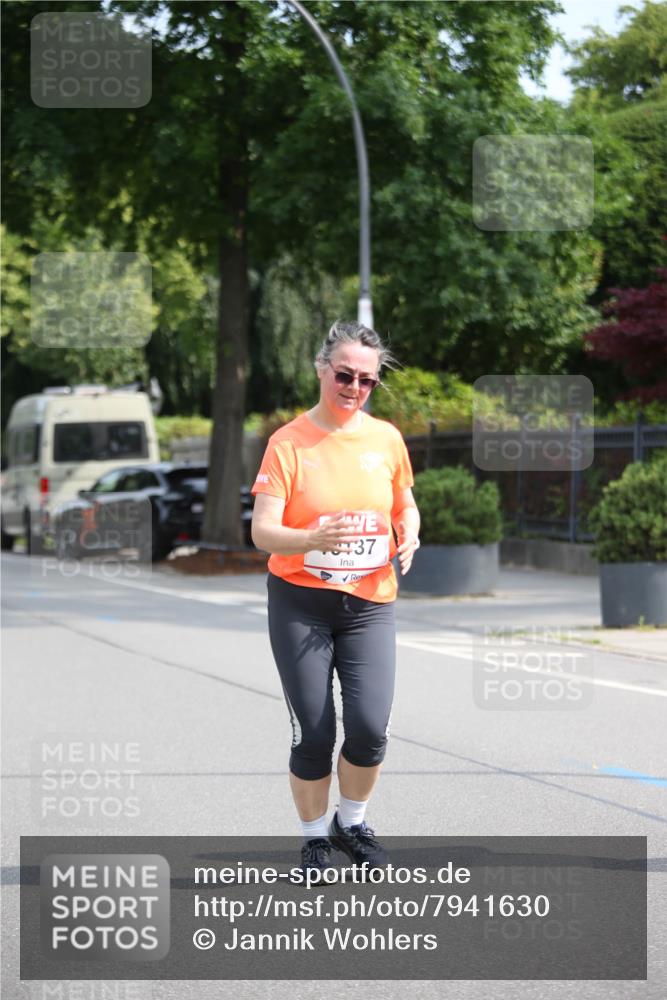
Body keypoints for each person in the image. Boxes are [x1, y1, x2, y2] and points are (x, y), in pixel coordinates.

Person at [251, 320, 420, 881]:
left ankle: (352, 824)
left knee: (370, 729)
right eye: (345, 375)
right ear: (322, 369)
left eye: (367, 380)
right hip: (301, 603)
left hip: (370, 603)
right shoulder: (288, 443)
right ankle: (313, 840)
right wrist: (311, 540)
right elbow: (262, 531)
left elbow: (404, 503)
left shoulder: (386, 439)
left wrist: (411, 530)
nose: (354, 387)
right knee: (316, 733)